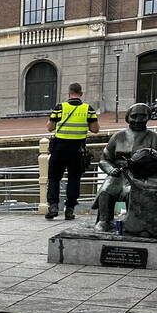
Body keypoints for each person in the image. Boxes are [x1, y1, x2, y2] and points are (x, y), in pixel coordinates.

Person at [93, 103, 157, 232]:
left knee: (127, 193)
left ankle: (124, 221)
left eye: (142, 116)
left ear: (148, 117)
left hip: (143, 176)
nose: (138, 120)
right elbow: (104, 160)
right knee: (106, 190)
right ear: (128, 117)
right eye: (134, 116)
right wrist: (111, 170)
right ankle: (105, 220)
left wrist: (148, 170)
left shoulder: (155, 138)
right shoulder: (118, 136)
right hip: (119, 174)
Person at [45, 82, 99, 220]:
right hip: (77, 149)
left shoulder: (60, 107)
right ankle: (69, 209)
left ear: (69, 93)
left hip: (59, 148)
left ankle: (53, 206)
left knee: (54, 178)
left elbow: (49, 128)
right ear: (81, 94)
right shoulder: (88, 109)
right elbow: (95, 129)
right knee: (74, 179)